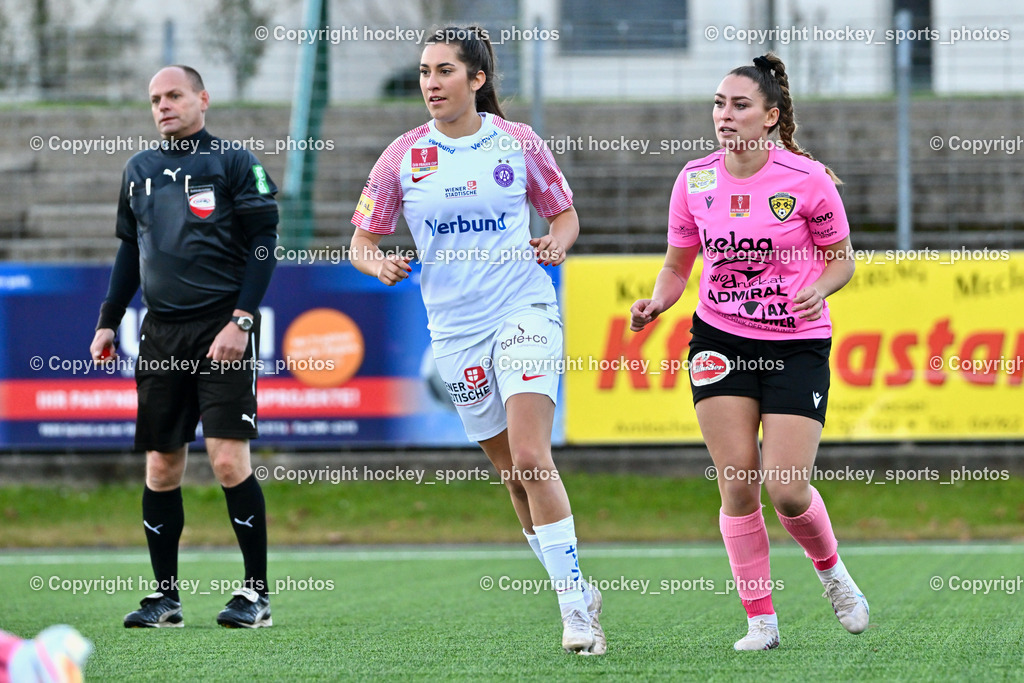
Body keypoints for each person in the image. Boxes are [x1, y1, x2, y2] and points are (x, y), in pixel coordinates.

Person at [350, 25, 606, 655]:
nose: (430, 83)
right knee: (509, 474)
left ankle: (575, 610)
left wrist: (558, 242)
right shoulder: (403, 157)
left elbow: (564, 213)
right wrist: (375, 262)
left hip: (524, 310)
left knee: (529, 454)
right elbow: (361, 238)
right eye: (424, 72)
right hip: (455, 333)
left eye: (444, 71)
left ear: (477, 79)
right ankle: (573, 586)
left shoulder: (518, 144)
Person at [630, 53, 868, 651]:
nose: (725, 116)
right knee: (737, 484)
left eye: (739, 106)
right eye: (718, 104)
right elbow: (677, 265)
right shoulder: (695, 180)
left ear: (770, 117)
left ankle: (832, 572)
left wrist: (817, 287)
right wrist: (658, 301)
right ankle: (761, 620)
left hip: (795, 345)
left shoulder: (806, 180)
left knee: (787, 488)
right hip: (720, 339)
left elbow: (842, 259)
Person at [89, 65, 278, 629]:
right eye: (155, 99)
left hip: (223, 328)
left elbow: (265, 243)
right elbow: (130, 250)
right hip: (161, 332)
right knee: (162, 464)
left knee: (226, 458)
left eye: (174, 95)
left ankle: (255, 596)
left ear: (203, 99)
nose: (164, 105)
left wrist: (242, 320)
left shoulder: (235, 162)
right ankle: (165, 598)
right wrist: (108, 320)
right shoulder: (139, 170)